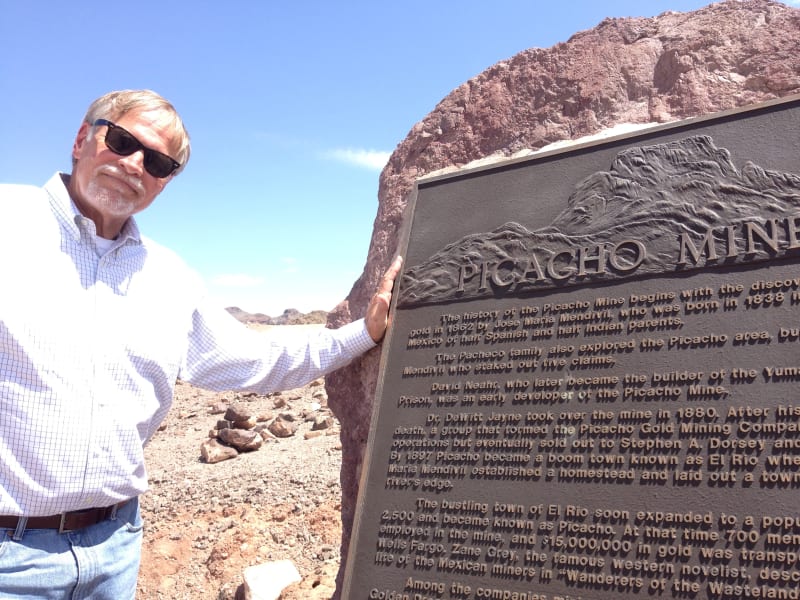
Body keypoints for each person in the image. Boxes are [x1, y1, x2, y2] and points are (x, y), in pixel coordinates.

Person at [0, 89, 402, 599]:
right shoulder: (8, 221)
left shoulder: (168, 277)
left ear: (164, 183)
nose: (134, 164)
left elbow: (262, 362)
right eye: (122, 141)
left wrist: (365, 333)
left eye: (159, 162)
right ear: (82, 138)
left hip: (115, 549)